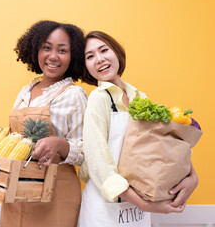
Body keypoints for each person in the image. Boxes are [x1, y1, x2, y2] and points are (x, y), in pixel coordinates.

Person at [77, 31, 198, 226]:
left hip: (138, 208)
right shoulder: (99, 99)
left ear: (116, 53)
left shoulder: (139, 97)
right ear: (85, 67)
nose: (99, 59)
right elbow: (98, 164)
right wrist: (144, 205)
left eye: (103, 50)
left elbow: (163, 144)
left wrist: (193, 177)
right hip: (106, 208)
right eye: (90, 56)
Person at [0, 20, 88, 227]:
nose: (53, 56)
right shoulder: (25, 91)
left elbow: (86, 151)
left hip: (56, 193)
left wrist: (59, 144)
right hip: (16, 191)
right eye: (46, 48)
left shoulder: (74, 95)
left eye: (62, 50)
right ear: (35, 50)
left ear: (72, 56)